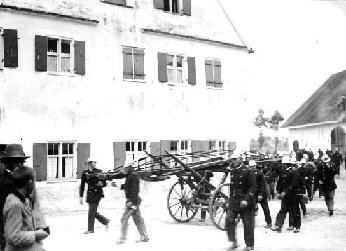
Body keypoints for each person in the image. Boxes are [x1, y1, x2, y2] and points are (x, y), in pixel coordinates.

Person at [0, 144, 47, 251]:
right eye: (15, 161)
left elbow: (35, 203)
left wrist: (40, 225)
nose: (19, 164)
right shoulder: (2, 180)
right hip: (7, 226)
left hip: (26, 227)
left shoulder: (27, 176)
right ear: (6, 163)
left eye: (21, 161)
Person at [225, 156, 256, 251]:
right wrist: (229, 200)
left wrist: (246, 199)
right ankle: (233, 242)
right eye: (232, 160)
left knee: (247, 223)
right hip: (235, 200)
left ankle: (250, 245)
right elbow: (232, 187)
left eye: (235, 159)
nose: (233, 161)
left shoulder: (248, 171)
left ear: (240, 159)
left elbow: (253, 187)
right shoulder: (233, 171)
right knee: (229, 220)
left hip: (246, 200)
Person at [117, 165, 149, 244]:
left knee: (124, 219)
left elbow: (135, 190)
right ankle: (144, 236)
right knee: (138, 219)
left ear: (130, 167)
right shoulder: (130, 176)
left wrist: (132, 202)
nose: (125, 169)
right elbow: (128, 187)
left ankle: (122, 238)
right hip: (134, 201)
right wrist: (117, 186)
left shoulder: (133, 176)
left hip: (132, 201)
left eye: (126, 168)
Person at [272, 160, 305, 233]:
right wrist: (278, 191)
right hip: (286, 195)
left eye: (283, 164)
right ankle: (278, 225)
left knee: (295, 211)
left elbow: (294, 184)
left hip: (294, 194)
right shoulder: (283, 172)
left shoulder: (294, 172)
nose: (282, 165)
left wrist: (285, 191)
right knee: (282, 210)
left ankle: (297, 227)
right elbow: (281, 182)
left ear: (287, 164)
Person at [79, 158, 109, 234]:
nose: (95, 164)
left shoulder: (99, 171)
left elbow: (104, 182)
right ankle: (105, 221)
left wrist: (102, 184)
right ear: (89, 164)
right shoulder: (85, 173)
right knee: (93, 212)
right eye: (93, 162)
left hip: (97, 194)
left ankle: (90, 229)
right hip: (90, 194)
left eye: (95, 162)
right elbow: (82, 185)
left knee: (91, 212)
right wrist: (81, 196)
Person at [250, 160, 272, 228]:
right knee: (251, 210)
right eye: (251, 167)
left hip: (261, 194)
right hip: (253, 194)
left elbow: (262, 185)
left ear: (255, 166)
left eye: (253, 166)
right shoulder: (248, 173)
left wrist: (260, 194)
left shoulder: (259, 173)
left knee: (265, 209)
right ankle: (252, 223)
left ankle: (269, 223)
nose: (252, 168)